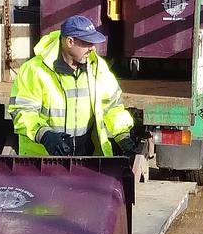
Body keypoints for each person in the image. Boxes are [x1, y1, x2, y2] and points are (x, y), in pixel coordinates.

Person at [10, 14, 137, 158]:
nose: (93, 48)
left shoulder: (97, 67)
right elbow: (22, 111)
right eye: (87, 43)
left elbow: (112, 106)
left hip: (85, 161)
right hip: (42, 162)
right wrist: (44, 134)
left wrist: (123, 137)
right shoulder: (34, 70)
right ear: (70, 42)